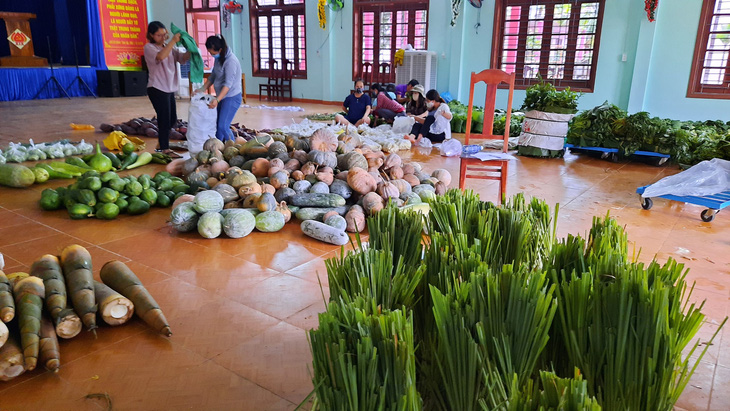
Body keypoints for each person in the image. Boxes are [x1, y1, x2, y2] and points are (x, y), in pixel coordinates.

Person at [143, 21, 190, 158]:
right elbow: (161, 56)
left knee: (171, 119)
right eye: (159, 35)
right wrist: (173, 41)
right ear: (151, 35)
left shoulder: (167, 47)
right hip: (157, 88)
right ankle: (164, 149)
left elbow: (181, 59)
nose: (163, 38)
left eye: (165, 35)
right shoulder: (149, 47)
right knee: (164, 119)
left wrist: (190, 50)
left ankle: (161, 144)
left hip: (169, 89)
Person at [196, 35, 242, 142]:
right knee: (217, 127)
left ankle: (233, 148)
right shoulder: (219, 58)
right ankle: (218, 148)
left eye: (213, 53)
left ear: (220, 49)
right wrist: (202, 89)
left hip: (231, 97)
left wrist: (217, 99)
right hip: (222, 96)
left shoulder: (231, 61)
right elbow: (213, 76)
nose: (212, 56)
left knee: (223, 126)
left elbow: (228, 85)